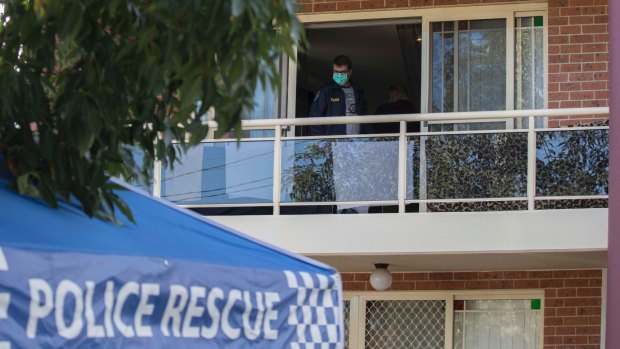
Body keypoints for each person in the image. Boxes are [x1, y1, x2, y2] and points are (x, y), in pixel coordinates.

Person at [308, 55, 368, 136]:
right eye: (336, 72)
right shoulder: (326, 91)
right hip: (334, 143)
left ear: (350, 72)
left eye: (342, 72)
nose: (339, 75)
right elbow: (314, 119)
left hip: (357, 143)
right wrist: (322, 143)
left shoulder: (358, 91)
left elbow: (366, 119)